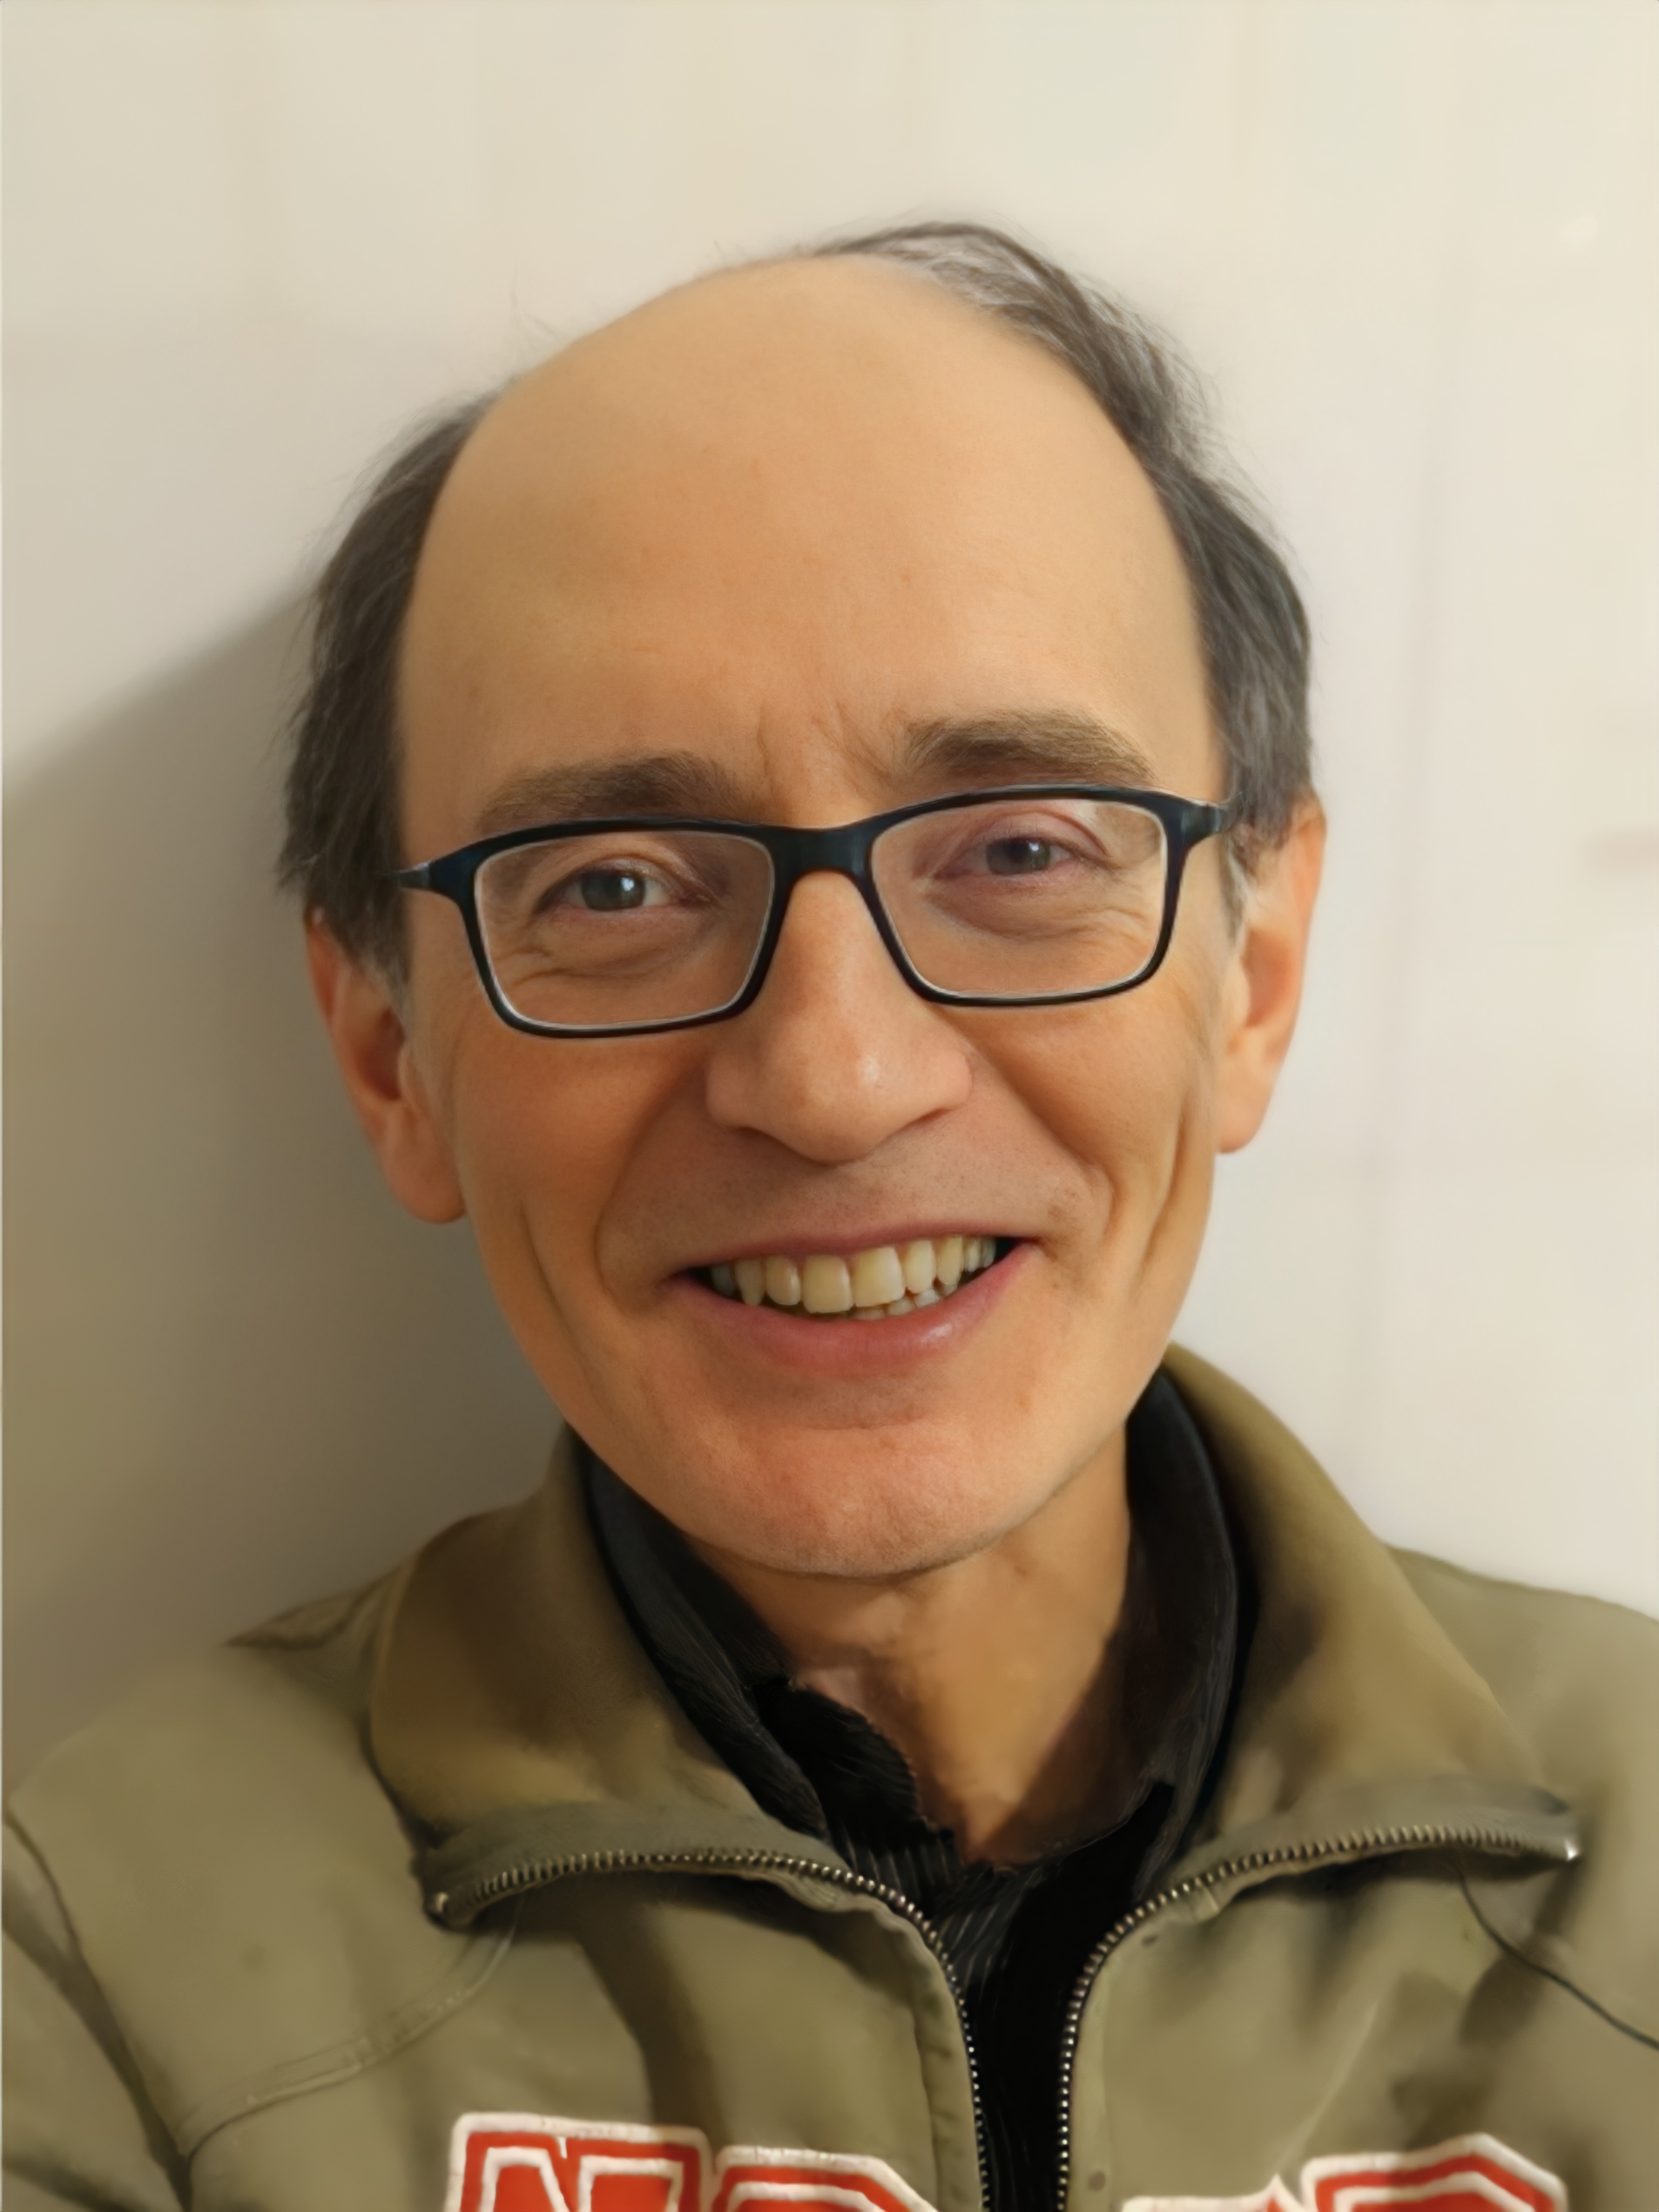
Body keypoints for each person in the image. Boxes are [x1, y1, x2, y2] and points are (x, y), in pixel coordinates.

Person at [4, 222, 1654, 2212]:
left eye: (1022, 849)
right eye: (614, 885)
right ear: (388, 1056)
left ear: (1255, 977)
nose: (836, 1076)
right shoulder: (105, 1972)